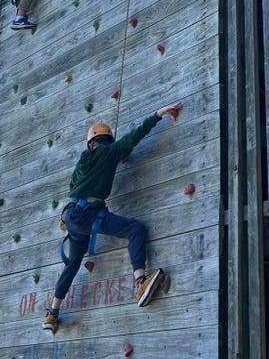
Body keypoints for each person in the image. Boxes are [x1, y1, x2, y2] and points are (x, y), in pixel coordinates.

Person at [42, 102, 182, 333]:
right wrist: (159, 113)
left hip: (71, 216)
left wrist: (119, 157)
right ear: (109, 140)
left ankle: (52, 313)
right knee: (135, 229)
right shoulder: (110, 152)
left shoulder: (83, 162)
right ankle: (139, 282)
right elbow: (135, 136)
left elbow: (78, 186)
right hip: (88, 215)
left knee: (73, 264)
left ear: (90, 143)